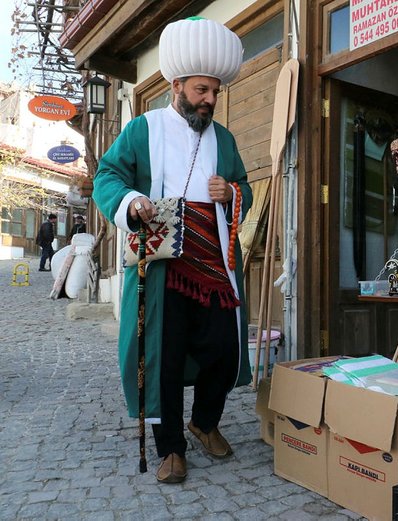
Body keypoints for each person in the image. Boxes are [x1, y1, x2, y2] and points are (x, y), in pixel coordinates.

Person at [92, 17, 252, 484]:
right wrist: (130, 200)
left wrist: (231, 193)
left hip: (214, 261)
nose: (210, 100)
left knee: (224, 349)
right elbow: (107, 176)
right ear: (177, 85)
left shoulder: (225, 138)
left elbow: (243, 186)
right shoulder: (143, 128)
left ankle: (204, 423)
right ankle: (171, 448)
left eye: (215, 92)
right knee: (163, 353)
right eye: (202, 89)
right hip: (162, 266)